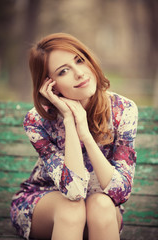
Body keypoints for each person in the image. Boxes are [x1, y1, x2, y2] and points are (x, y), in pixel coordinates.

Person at [10, 33, 138, 240]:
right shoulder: (36, 121)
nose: (79, 73)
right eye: (63, 71)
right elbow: (74, 192)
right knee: (72, 208)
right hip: (46, 204)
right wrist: (70, 121)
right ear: (50, 85)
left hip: (100, 210)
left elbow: (120, 192)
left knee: (102, 205)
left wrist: (86, 135)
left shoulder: (123, 110)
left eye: (79, 60)